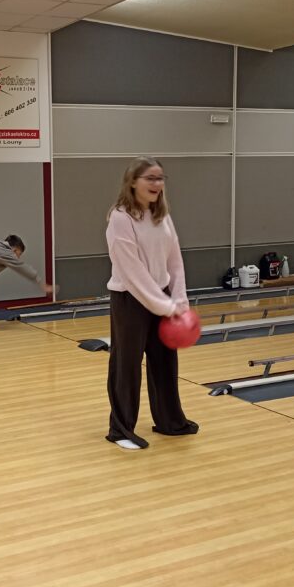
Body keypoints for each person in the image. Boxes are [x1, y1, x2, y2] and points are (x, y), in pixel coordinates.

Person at [104, 156, 199, 450]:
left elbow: (175, 260)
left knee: (165, 361)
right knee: (127, 364)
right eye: (151, 178)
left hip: (162, 296)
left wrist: (179, 298)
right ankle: (121, 430)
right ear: (133, 182)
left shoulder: (162, 216)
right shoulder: (120, 217)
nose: (157, 184)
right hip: (129, 299)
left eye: (160, 178)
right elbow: (132, 272)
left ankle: (170, 421)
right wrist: (165, 306)